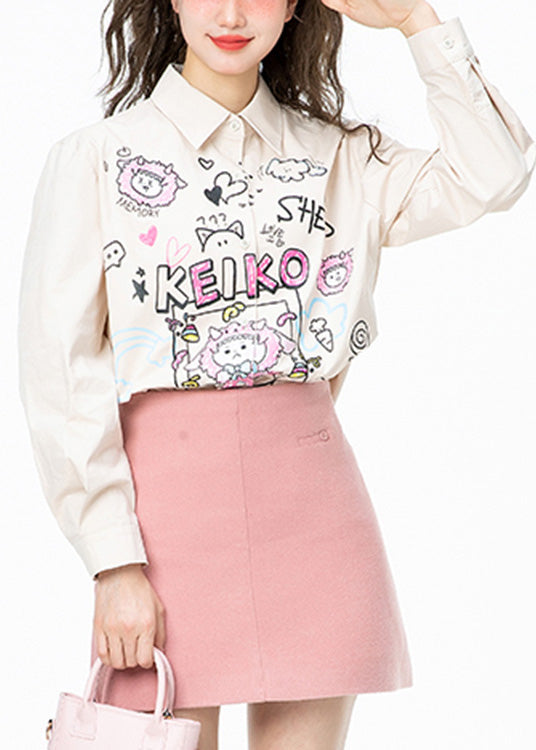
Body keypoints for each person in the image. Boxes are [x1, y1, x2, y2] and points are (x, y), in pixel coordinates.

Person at [17, 0, 534, 748]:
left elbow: (495, 173)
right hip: (161, 526)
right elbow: (60, 373)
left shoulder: (343, 160)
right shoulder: (96, 161)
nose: (231, 13)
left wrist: (416, 21)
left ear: (294, 5)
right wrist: (112, 563)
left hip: (314, 514)